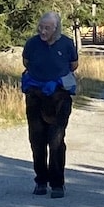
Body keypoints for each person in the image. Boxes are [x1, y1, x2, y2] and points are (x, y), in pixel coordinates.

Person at [21, 11, 79, 197]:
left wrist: (56, 82)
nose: (42, 30)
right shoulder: (32, 43)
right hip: (36, 98)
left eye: (47, 28)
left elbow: (73, 65)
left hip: (59, 98)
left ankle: (57, 183)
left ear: (56, 29)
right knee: (36, 140)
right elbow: (26, 63)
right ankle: (40, 181)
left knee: (56, 140)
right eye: (41, 26)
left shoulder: (67, 43)